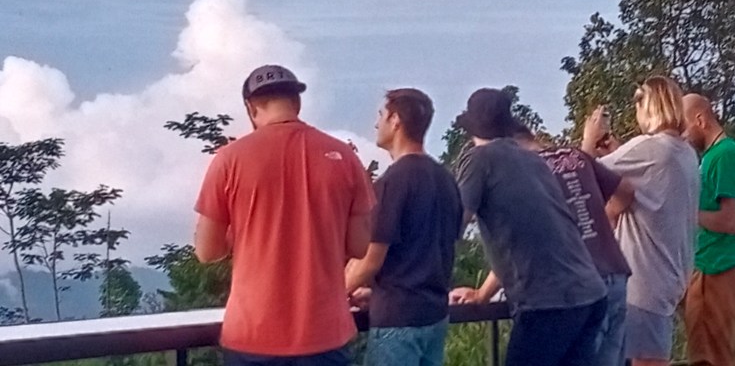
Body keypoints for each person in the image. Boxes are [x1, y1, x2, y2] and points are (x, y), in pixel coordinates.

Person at [192, 64, 374, 366]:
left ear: (251, 108)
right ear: (297, 103)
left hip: (252, 336)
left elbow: (206, 251)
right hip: (324, 335)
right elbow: (359, 246)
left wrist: (243, 230)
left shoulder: (229, 159)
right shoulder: (343, 156)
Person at [450, 88, 608, 366]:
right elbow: (529, 232)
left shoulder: (479, 159)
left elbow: (454, 225)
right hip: (590, 293)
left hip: (549, 301)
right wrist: (484, 294)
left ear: (471, 129)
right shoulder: (533, 160)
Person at [582, 76, 700, 366]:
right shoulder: (685, 152)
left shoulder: (650, 148)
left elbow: (579, 172)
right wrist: (619, 153)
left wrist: (588, 140)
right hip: (669, 279)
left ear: (648, 108)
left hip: (643, 283)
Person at [345, 89, 463, 366]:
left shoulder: (393, 182)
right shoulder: (446, 179)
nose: (376, 123)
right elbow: (425, 252)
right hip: (434, 316)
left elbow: (370, 259)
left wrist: (333, 295)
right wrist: (376, 293)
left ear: (395, 120)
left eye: (381, 115)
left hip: (398, 320)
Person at [509, 123, 634, 366]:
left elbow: (523, 236)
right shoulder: (575, 155)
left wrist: (483, 293)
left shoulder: (529, 171)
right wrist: (604, 218)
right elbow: (626, 190)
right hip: (616, 272)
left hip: (583, 284)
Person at [681, 93, 735, 366]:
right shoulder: (711, 157)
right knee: (702, 355)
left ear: (700, 120)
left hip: (717, 270)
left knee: (714, 357)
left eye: (684, 127)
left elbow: (731, 221)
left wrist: (688, 214)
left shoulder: (726, 155)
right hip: (705, 270)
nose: (683, 136)